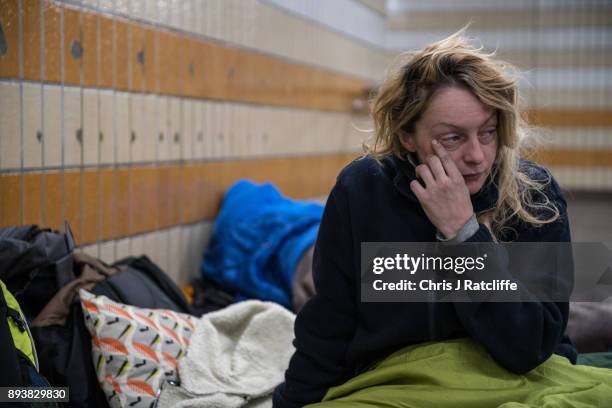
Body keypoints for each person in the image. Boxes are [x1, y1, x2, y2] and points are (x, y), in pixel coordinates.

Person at [272, 28, 577, 408]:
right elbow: (330, 322)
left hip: (515, 379)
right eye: (452, 138)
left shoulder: (534, 194)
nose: (477, 157)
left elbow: (531, 346)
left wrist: (464, 236)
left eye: (488, 133)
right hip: (397, 383)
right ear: (406, 136)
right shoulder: (363, 189)